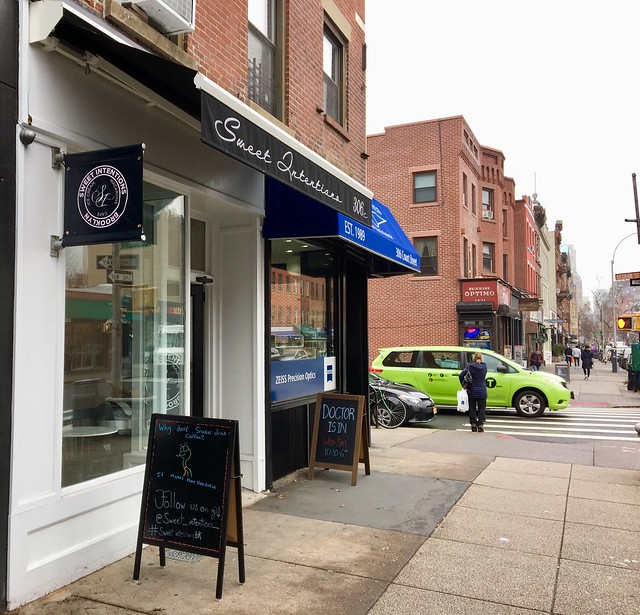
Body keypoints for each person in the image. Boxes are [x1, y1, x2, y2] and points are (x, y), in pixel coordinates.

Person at [459, 352, 488, 432]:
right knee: (482, 409)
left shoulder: (470, 366)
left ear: (474, 358)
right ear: (481, 358)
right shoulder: (484, 366)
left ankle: (473, 424)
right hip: (482, 391)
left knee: (472, 408)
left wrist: (464, 385)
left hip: (472, 390)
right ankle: (481, 424)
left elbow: (461, 375)